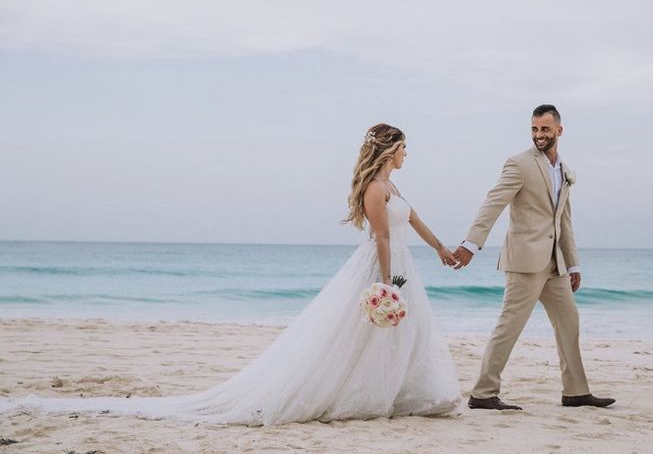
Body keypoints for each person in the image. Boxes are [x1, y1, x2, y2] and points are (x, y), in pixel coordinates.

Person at [1, 123, 462, 425]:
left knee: (407, 333)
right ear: (389, 151)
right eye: (403, 148)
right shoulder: (375, 190)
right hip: (384, 269)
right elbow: (382, 238)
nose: (407, 155)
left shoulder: (395, 185)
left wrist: (440, 247)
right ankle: (364, 395)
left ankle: (403, 392)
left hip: (404, 268)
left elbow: (413, 219)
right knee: (367, 334)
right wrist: (385, 283)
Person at [453, 104, 615, 410]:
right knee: (509, 326)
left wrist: (573, 263)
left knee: (569, 323)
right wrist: (472, 243)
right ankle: (483, 393)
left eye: (544, 129)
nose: (539, 135)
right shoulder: (519, 164)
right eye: (534, 129)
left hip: (556, 265)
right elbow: (493, 203)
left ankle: (576, 392)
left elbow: (563, 220)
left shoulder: (564, 171)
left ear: (559, 130)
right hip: (525, 262)